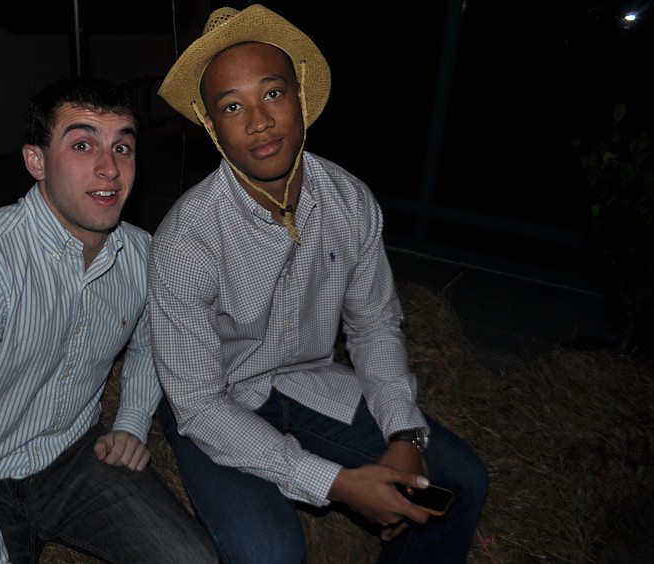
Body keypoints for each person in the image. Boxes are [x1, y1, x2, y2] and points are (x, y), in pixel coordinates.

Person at [149, 5, 489, 563]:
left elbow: (374, 324)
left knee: (460, 482)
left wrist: (405, 435)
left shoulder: (349, 200)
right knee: (269, 552)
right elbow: (200, 405)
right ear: (211, 127)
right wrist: (333, 481)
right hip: (217, 401)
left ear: (301, 96)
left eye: (273, 94)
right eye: (232, 106)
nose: (258, 121)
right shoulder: (186, 238)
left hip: (312, 383)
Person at [0, 76, 217, 563]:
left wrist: (131, 421)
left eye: (123, 146)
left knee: (193, 559)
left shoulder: (143, 255)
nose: (109, 168)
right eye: (83, 144)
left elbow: (157, 337)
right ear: (36, 161)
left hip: (76, 457)